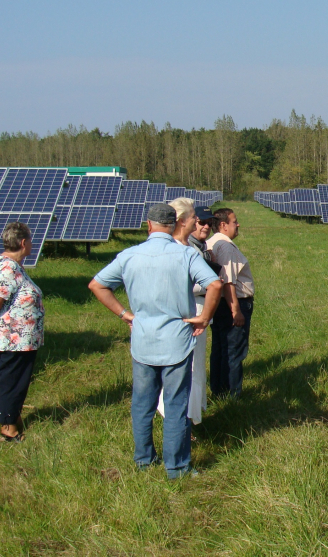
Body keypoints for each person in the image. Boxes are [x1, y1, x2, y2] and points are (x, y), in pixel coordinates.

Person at [88, 204, 221, 479]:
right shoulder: (185, 254)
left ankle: (144, 460)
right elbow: (215, 284)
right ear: (174, 225)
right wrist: (204, 317)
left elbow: (97, 285)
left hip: (143, 341)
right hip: (177, 342)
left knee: (142, 404)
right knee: (175, 405)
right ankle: (177, 467)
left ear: (148, 225)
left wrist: (125, 314)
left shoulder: (129, 255)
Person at [0, 222, 44, 443]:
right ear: (23, 243)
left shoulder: (12, 266)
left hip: (21, 339)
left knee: (17, 380)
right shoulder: (7, 267)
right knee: (11, 381)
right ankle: (8, 430)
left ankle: (12, 418)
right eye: (31, 241)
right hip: (13, 339)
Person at [156, 200, 215, 427]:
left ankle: (188, 417)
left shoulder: (191, 249)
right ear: (182, 221)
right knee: (181, 365)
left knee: (195, 366)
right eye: (194, 218)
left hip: (197, 311)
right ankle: (179, 419)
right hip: (182, 313)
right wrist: (209, 283)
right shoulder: (176, 250)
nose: (198, 222)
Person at [206, 208, 255, 398]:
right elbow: (228, 281)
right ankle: (232, 394)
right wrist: (236, 310)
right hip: (234, 303)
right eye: (235, 222)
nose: (238, 225)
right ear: (223, 225)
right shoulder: (225, 246)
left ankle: (218, 390)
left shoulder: (211, 243)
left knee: (220, 348)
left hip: (219, 304)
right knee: (234, 350)